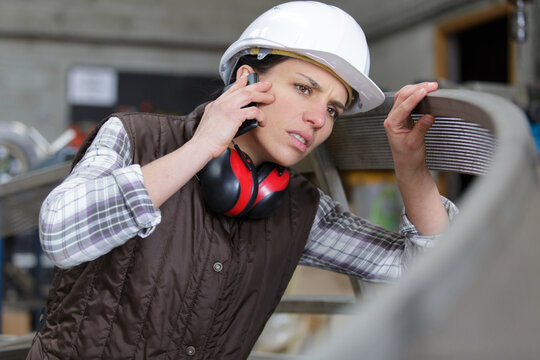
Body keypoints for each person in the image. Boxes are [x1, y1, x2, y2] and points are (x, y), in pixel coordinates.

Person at [28, 1, 458, 359]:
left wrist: (410, 164)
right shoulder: (135, 139)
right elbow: (61, 234)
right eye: (305, 89)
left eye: (333, 109)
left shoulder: (299, 211)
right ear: (247, 79)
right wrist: (201, 148)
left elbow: (426, 268)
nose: (317, 119)